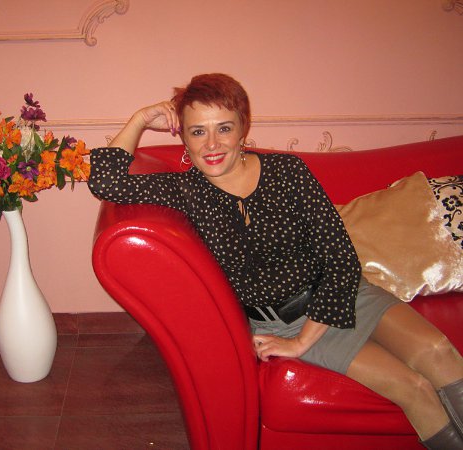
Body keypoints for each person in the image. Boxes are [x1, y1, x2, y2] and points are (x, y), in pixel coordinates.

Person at [88, 73, 463, 449]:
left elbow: (340, 258)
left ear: (243, 129)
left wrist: (304, 340)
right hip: (283, 322)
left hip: (344, 294)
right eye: (198, 132)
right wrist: (140, 119)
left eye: (224, 128)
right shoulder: (186, 190)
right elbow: (105, 182)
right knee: (412, 388)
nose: (212, 144)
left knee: (437, 350)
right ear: (184, 138)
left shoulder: (287, 172)